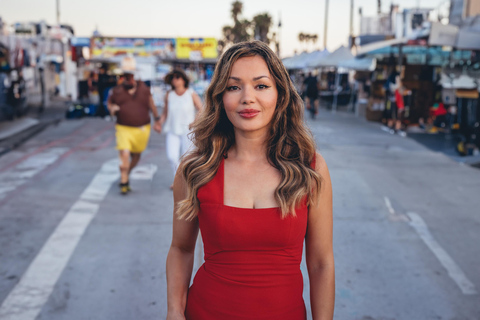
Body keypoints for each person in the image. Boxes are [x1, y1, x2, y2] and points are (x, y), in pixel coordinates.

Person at [166, 41, 334, 319]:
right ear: (220, 96)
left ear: (280, 94)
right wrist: (174, 311)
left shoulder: (310, 167)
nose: (247, 98)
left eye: (261, 85)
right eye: (233, 87)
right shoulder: (196, 167)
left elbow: (321, 263)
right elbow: (181, 249)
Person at [107, 56, 162, 195]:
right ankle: (124, 181)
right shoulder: (117, 91)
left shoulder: (144, 88)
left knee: (136, 155)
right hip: (123, 128)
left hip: (142, 128)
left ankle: (127, 172)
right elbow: (110, 104)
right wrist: (112, 108)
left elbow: (151, 104)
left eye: (130, 75)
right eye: (125, 75)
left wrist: (157, 119)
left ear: (134, 75)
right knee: (124, 153)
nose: (128, 78)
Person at [160, 69, 203, 189]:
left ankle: (187, 181)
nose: (175, 79)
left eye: (177, 77)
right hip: (172, 129)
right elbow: (165, 112)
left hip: (187, 130)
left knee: (188, 156)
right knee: (172, 156)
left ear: (184, 79)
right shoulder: (169, 95)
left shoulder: (190, 93)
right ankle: (178, 180)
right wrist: (159, 122)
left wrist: (195, 122)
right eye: (173, 77)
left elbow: (201, 108)